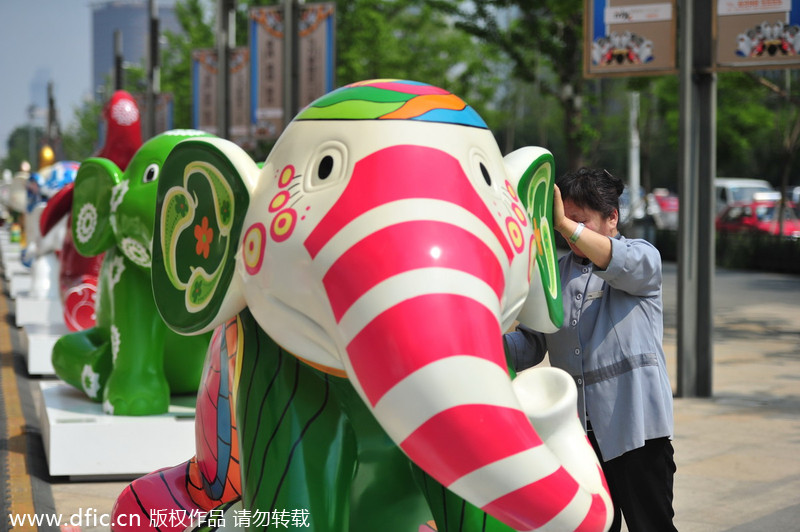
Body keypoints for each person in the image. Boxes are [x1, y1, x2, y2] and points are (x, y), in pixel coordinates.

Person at [505, 167, 676, 532]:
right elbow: (532, 344)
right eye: (563, 221)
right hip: (579, 439)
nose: (567, 231)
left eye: (579, 221)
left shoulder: (642, 258)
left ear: (612, 217)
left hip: (638, 431)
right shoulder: (555, 274)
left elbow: (617, 262)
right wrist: (483, 343)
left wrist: (565, 226)